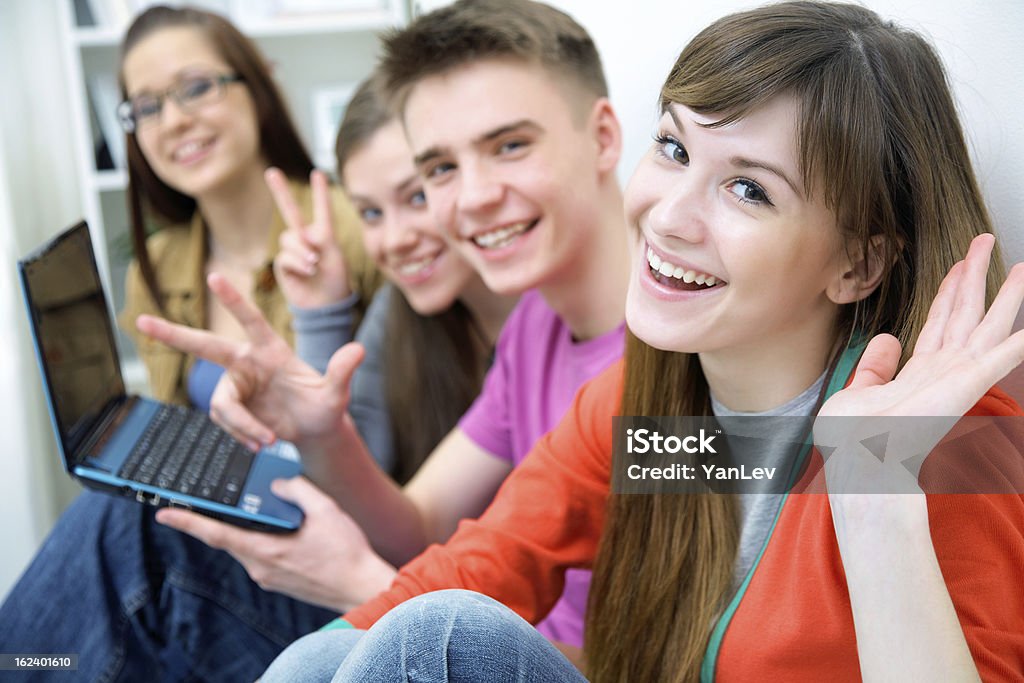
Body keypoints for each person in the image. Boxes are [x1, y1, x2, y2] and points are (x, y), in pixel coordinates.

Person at [251, 2, 1024, 681]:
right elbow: (485, 560)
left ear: (858, 262)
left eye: (749, 189)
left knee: (441, 636)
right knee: (349, 645)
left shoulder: (946, 446)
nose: (668, 215)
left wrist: (876, 498)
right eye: (676, 149)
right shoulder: (658, 416)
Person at [137, 0, 632, 663]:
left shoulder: (688, 361)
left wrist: (366, 590)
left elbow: (681, 660)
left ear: (602, 137)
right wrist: (320, 429)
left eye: (510, 145)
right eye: (441, 170)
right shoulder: (535, 325)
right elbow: (423, 525)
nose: (473, 196)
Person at [112, 5, 379, 409]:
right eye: (147, 108)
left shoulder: (357, 228)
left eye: (197, 87)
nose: (172, 122)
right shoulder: (153, 269)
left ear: (257, 90)